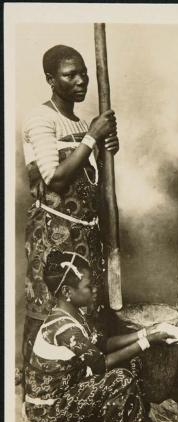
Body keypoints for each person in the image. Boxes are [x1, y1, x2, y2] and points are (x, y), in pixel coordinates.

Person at [24, 250, 178, 422]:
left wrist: (148, 332)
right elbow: (100, 364)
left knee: (131, 364)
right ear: (67, 291)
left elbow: (104, 344)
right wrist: (149, 341)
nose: (95, 289)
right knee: (120, 378)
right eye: (89, 286)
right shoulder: (64, 328)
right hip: (48, 409)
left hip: (70, 390)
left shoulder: (75, 314)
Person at [22, 44, 119, 363]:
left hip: (85, 235)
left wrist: (106, 155)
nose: (81, 80)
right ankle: (44, 381)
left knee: (83, 305)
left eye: (84, 73)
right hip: (53, 235)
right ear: (51, 79)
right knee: (51, 305)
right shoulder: (40, 118)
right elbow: (57, 179)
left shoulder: (78, 124)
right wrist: (92, 137)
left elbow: (90, 187)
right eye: (70, 74)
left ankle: (80, 378)